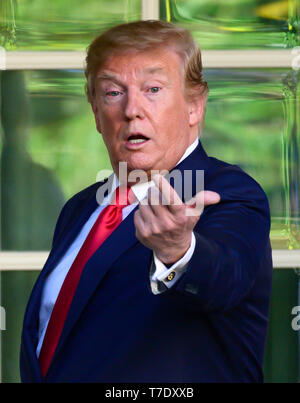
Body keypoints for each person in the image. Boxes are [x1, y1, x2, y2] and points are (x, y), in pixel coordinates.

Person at [20, 20, 273, 383]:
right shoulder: (79, 209)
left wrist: (179, 251)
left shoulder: (229, 193)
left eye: (153, 88)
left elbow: (224, 278)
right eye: (112, 92)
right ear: (95, 111)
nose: (131, 109)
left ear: (194, 106)